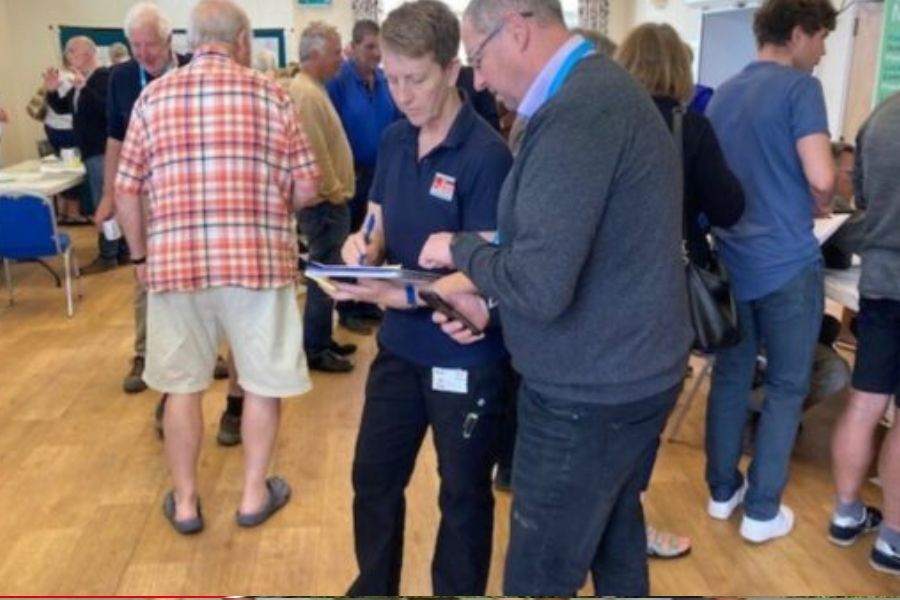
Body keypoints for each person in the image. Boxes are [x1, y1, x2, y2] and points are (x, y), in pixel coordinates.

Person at [418, 0, 691, 594]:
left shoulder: (579, 113)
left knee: (539, 575)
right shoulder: (593, 93)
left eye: (478, 59)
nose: (480, 78)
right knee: (614, 543)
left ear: (517, 29)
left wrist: (461, 250)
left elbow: (540, 285)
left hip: (589, 394)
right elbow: (561, 246)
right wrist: (487, 301)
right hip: (621, 375)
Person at [328, 1, 513, 594]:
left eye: (416, 79)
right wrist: (359, 250)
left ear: (452, 70)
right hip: (400, 351)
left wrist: (388, 293)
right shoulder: (393, 140)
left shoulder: (487, 157)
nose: (402, 94)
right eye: (391, 78)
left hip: (464, 360)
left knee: (461, 494)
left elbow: (480, 278)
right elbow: (375, 225)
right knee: (373, 477)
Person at [114, 0, 318, 535]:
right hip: (257, 262)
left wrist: (138, 256)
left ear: (189, 38)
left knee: (181, 387)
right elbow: (310, 185)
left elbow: (125, 188)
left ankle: (185, 503)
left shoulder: (152, 96)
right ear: (243, 41)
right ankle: (253, 497)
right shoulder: (273, 95)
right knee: (261, 383)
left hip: (176, 264)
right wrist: (269, 208)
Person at [704, 0, 837, 544]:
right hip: (786, 263)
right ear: (800, 33)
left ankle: (720, 492)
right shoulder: (802, 91)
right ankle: (762, 511)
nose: (824, 50)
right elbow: (824, 177)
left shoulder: (724, 92)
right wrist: (818, 199)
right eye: (822, 38)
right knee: (786, 386)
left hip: (732, 262)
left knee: (731, 377)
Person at [616, 21, 745, 560]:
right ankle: (627, 523)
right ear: (679, 69)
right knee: (648, 408)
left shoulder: (605, 124)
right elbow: (730, 207)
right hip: (665, 291)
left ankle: (607, 518)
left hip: (606, 285)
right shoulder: (688, 129)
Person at [829, 91, 900, 576]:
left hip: (880, 282)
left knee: (864, 403)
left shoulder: (880, 118)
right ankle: (893, 539)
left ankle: (846, 513)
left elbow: (862, 201)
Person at [288, 22, 359, 374]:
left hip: (330, 204)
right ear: (315, 55)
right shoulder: (306, 94)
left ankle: (321, 337)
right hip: (325, 207)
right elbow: (314, 156)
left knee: (327, 275)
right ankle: (315, 348)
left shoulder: (314, 89)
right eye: (334, 53)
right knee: (323, 277)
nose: (340, 61)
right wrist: (334, 194)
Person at [326, 19, 402, 335]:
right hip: (352, 176)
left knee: (374, 239)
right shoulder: (338, 83)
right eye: (370, 47)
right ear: (354, 47)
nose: (376, 54)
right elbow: (333, 131)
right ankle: (348, 307)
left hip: (381, 174)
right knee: (352, 242)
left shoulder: (385, 81)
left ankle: (370, 300)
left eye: (380, 47)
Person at [44, 36, 119, 273]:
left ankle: (109, 254)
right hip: (89, 152)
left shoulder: (103, 78)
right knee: (106, 204)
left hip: (101, 152)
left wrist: (83, 89)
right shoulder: (83, 81)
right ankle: (118, 250)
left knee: (103, 204)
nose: (67, 58)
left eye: (70, 53)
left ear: (86, 54)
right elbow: (64, 106)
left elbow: (107, 109)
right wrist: (52, 92)